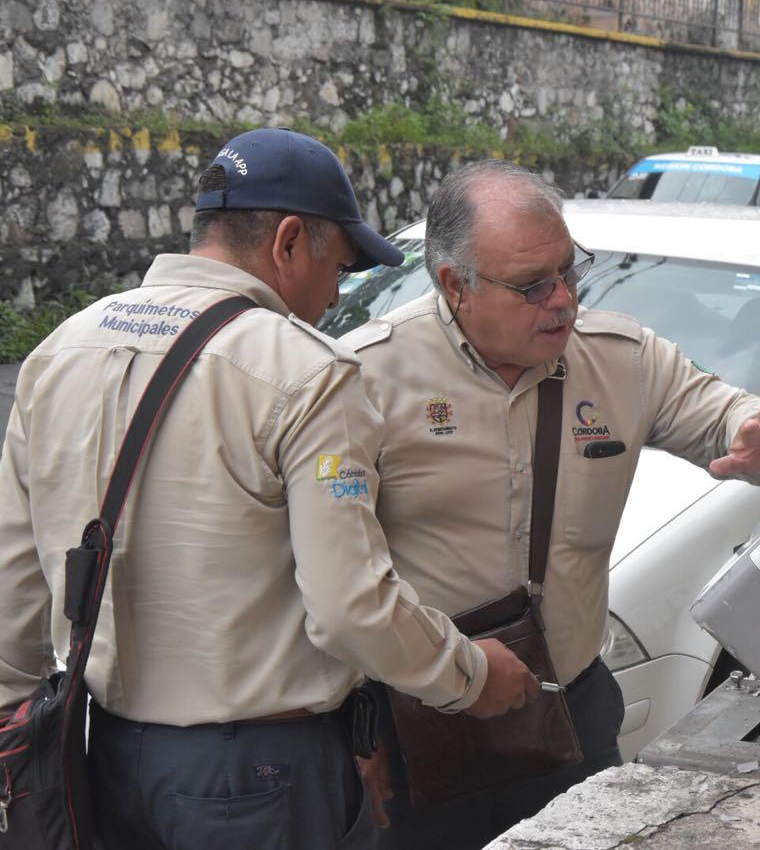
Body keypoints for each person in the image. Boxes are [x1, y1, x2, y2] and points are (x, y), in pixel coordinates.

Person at [0, 130, 538, 850]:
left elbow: (12, 594)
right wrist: (473, 675)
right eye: (340, 266)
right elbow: (351, 607)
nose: (338, 294)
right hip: (261, 777)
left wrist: (22, 746)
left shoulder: (58, 351)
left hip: (104, 759)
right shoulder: (305, 373)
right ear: (288, 242)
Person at [344, 159, 760, 848]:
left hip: (567, 708)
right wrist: (354, 727)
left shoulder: (621, 358)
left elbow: (725, 416)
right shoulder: (365, 375)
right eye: (532, 286)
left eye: (571, 271)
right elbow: (321, 573)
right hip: (417, 726)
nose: (563, 299)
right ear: (456, 286)